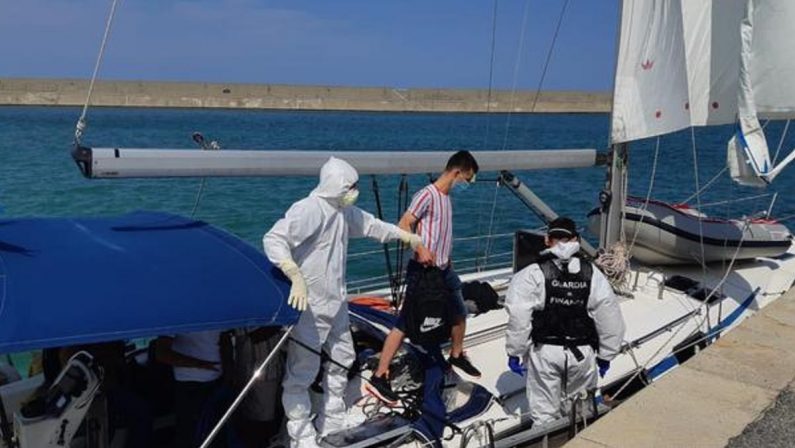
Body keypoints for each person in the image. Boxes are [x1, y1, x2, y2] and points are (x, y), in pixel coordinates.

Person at [263, 156, 426, 448]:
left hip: (336, 303)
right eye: (350, 186)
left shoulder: (342, 211)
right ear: (335, 185)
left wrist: (404, 236)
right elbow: (274, 239)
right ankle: (301, 436)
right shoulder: (310, 209)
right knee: (302, 373)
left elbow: (372, 226)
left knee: (343, 359)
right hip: (309, 308)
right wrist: (293, 273)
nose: (354, 191)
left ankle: (333, 418)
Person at [367, 150, 482, 404]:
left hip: (444, 270)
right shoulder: (427, 195)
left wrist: (445, 257)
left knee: (459, 310)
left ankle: (456, 353)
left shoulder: (446, 198)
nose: (467, 185)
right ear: (457, 173)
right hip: (424, 272)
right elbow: (403, 224)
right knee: (405, 323)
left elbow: (440, 231)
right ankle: (380, 374)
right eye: (468, 179)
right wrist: (420, 248)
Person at [504, 217, 625, 425]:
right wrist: (607, 354)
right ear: (576, 239)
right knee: (581, 411)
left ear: (547, 240)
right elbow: (609, 315)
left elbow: (519, 318)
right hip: (582, 352)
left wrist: (515, 352)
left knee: (543, 415)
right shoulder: (593, 274)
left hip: (545, 353)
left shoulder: (531, 274)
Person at [155, 331, 226, 448]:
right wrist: (199, 364)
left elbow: (224, 339)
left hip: (216, 383)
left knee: (217, 434)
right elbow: (162, 353)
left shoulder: (215, 314)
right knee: (190, 436)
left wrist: (228, 371)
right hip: (189, 385)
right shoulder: (177, 314)